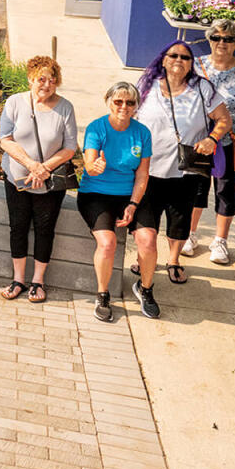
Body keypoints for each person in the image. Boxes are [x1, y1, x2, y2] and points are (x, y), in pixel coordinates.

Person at [130, 40, 230, 315]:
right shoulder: (146, 87)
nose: (179, 60)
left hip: (186, 171)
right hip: (147, 172)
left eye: (185, 57)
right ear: (163, 60)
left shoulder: (202, 89)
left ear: (191, 63)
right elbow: (128, 119)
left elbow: (224, 119)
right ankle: (145, 262)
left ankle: (173, 260)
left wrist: (212, 138)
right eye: (173, 55)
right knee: (146, 232)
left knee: (179, 222)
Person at [0, 56, 79, 303]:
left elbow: (70, 147)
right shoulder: (14, 103)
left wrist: (44, 168)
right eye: (41, 79)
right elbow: (5, 138)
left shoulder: (65, 108)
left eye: (52, 79)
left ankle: (38, 282)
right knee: (18, 227)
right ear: (30, 79)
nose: (46, 84)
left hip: (49, 183)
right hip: (17, 180)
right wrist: (30, 165)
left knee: (45, 229)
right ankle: (18, 279)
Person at [185, 19, 235, 265]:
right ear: (209, 40)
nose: (222, 43)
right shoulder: (195, 66)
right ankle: (190, 234)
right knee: (196, 187)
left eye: (228, 39)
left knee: (225, 190)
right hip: (198, 139)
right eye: (217, 38)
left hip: (229, 141)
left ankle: (220, 240)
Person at [79, 82, 152, 322]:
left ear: (136, 106)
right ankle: (102, 294)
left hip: (129, 194)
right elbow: (89, 163)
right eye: (118, 101)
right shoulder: (96, 128)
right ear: (108, 101)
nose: (124, 106)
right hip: (96, 193)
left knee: (147, 240)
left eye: (130, 102)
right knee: (107, 242)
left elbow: (142, 175)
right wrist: (94, 166)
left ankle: (145, 288)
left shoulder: (142, 133)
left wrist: (132, 204)